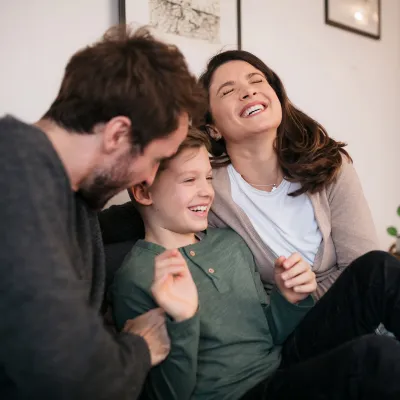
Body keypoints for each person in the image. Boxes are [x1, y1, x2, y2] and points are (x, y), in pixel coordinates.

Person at [111, 128, 400, 400]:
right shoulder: (137, 277)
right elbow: (167, 395)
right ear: (144, 192)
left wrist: (288, 298)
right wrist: (183, 320)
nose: (206, 191)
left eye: (209, 178)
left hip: (284, 365)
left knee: (377, 269)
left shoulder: (228, 243)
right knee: (377, 357)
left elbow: (270, 331)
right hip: (238, 394)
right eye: (189, 180)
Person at [0, 25, 206, 399]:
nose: (148, 176)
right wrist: (139, 349)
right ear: (116, 134)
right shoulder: (13, 175)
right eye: (157, 159)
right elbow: (74, 377)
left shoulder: (70, 191)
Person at [100, 49, 379, 299]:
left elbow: (366, 270)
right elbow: (140, 212)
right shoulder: (207, 187)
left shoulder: (329, 164)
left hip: (361, 309)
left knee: (383, 271)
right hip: (296, 330)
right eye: (227, 91)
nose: (249, 92)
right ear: (212, 127)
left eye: (257, 81)